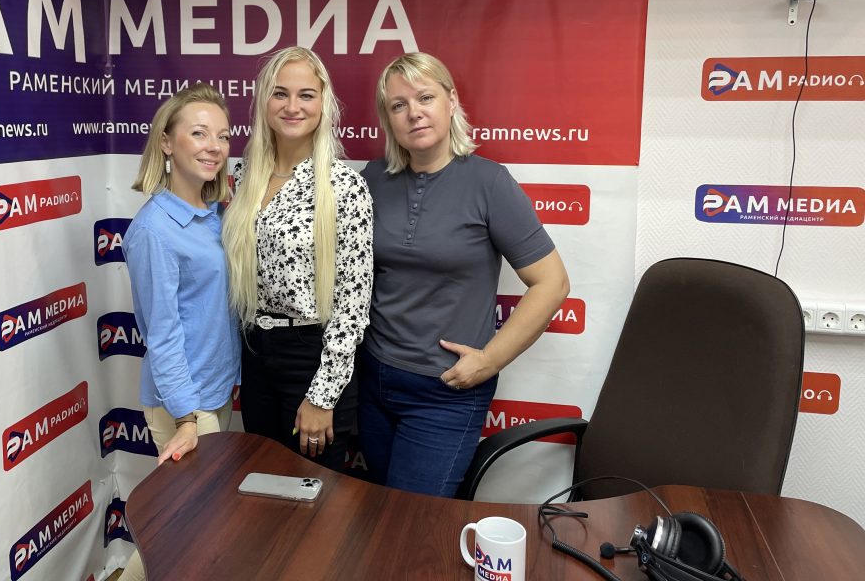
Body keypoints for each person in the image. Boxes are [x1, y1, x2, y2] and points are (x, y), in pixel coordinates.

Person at [358, 52, 570, 497]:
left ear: (451, 102)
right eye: (398, 105)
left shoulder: (489, 183)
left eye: (426, 98)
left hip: (444, 394)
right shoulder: (373, 179)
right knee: (378, 512)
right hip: (373, 380)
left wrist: (490, 360)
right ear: (388, 119)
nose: (414, 112)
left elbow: (552, 283)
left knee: (412, 522)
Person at [222, 46, 372, 471]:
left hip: (312, 357)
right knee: (263, 487)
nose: (292, 106)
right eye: (280, 93)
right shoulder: (244, 175)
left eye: (306, 95)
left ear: (324, 104)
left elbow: (352, 306)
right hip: (255, 353)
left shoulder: (344, 187)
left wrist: (322, 397)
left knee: (314, 496)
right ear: (263, 101)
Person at [120, 83, 240, 581]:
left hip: (215, 395)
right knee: (178, 535)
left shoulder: (215, 215)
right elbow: (163, 335)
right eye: (199, 133)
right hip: (185, 406)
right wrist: (187, 420)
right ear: (167, 143)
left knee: (200, 532)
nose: (214, 146)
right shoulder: (154, 230)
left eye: (223, 136)